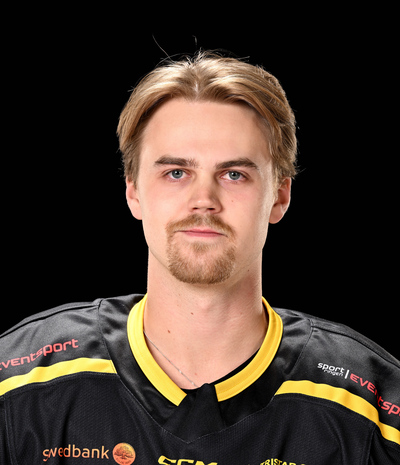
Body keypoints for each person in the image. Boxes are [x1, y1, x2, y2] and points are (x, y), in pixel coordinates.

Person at [1, 51, 399, 464]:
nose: (204, 200)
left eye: (234, 174)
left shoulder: (374, 409)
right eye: (176, 173)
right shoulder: (18, 383)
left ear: (280, 196)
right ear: (133, 191)